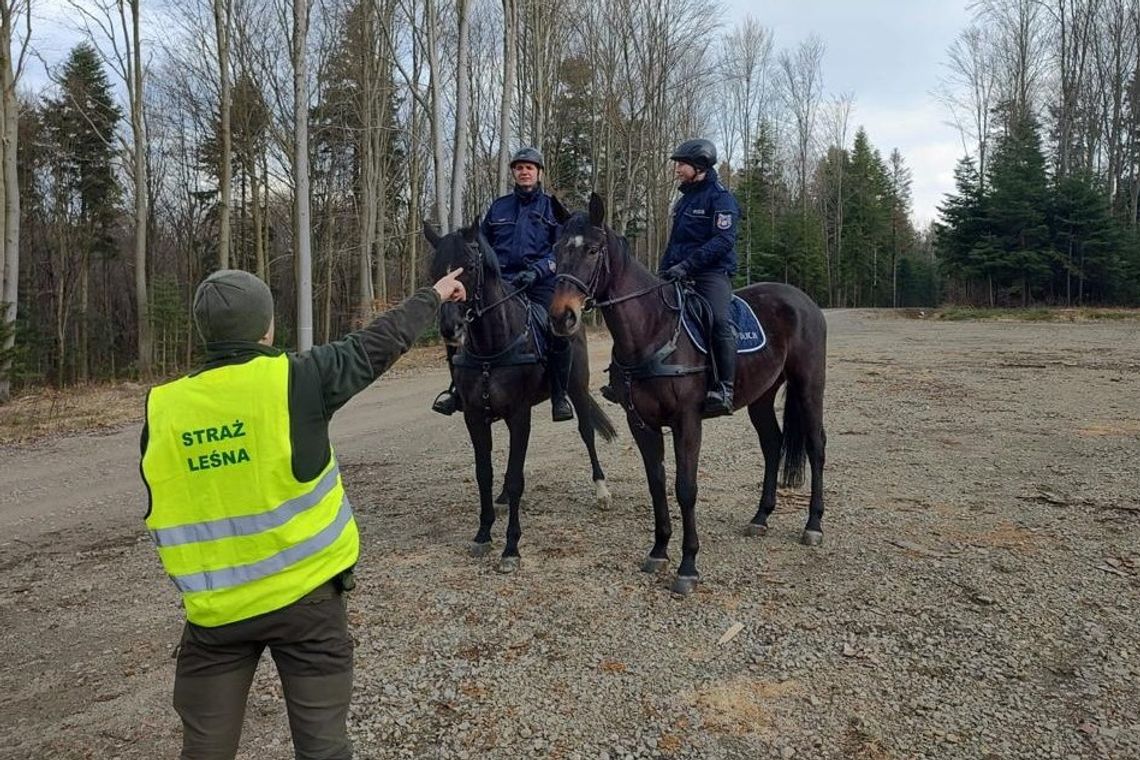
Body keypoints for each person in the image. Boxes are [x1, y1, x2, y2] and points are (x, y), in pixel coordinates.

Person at [139, 267, 465, 759]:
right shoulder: (300, 377)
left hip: (215, 616)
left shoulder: (161, 408)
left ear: (203, 333)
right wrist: (434, 295)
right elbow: (379, 341)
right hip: (309, 605)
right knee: (323, 748)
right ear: (266, 328)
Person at [431, 146, 574, 422]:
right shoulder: (499, 207)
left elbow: (561, 249)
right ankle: (457, 390)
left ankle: (559, 394)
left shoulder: (550, 207)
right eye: (519, 168)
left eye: (529, 167)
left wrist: (539, 270)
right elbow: (480, 245)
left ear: (539, 173)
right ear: (514, 173)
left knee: (557, 329)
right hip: (502, 283)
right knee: (458, 323)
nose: (524, 172)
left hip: (539, 283)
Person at [602, 138, 740, 416]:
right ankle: (620, 378)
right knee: (638, 315)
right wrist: (663, 271)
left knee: (719, 319)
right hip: (677, 273)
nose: (676, 168)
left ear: (699, 166)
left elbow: (723, 240)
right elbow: (675, 242)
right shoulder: (684, 200)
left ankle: (724, 386)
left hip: (710, 274)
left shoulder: (721, 198)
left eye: (681, 163)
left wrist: (688, 265)